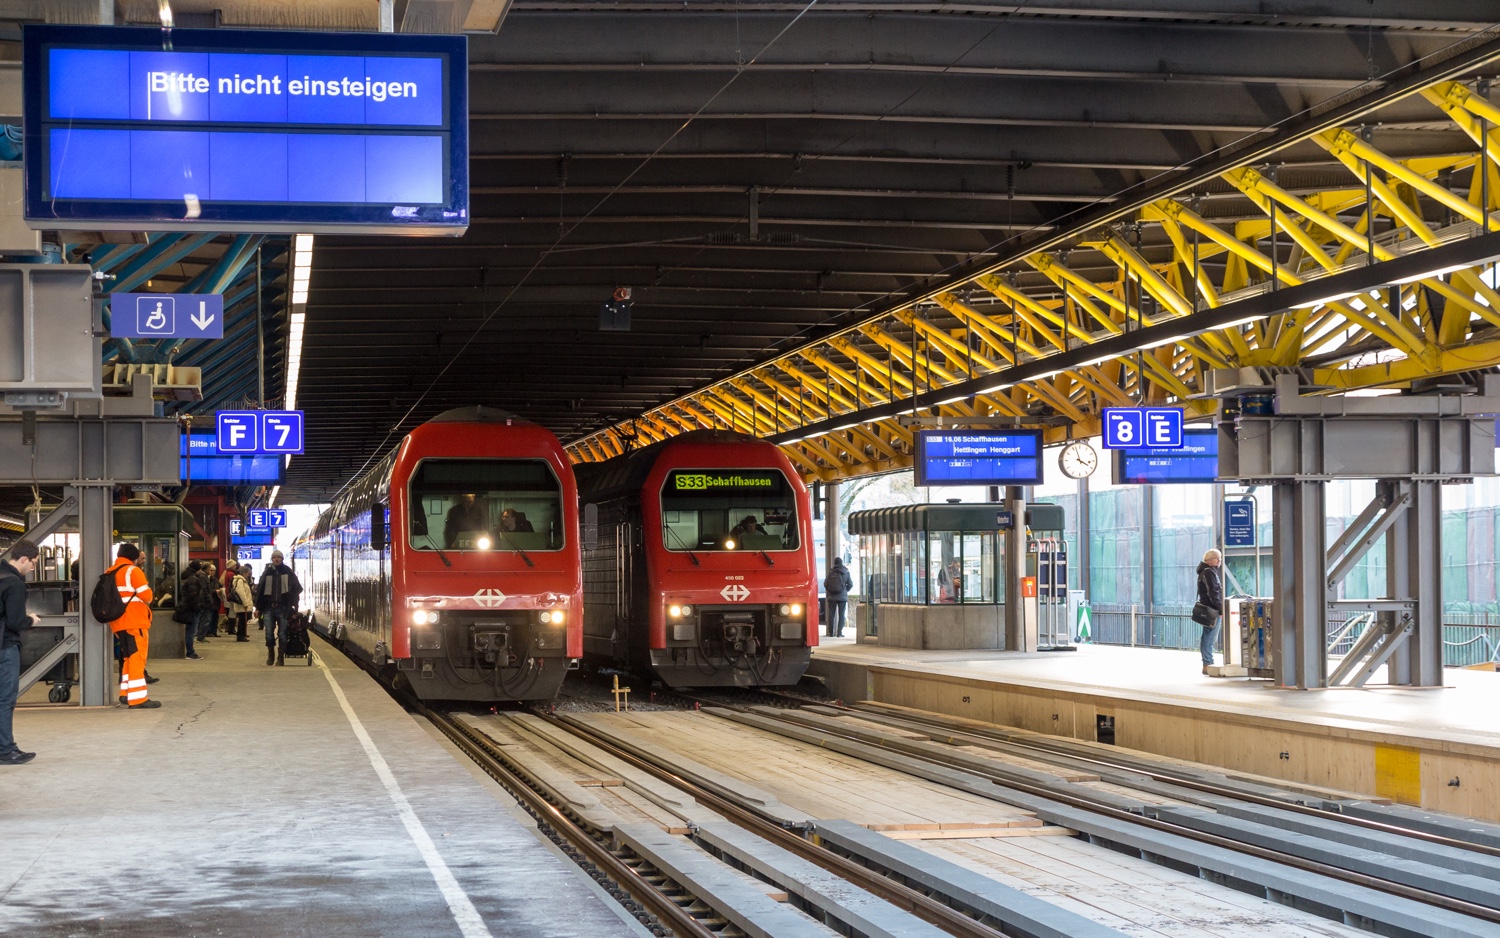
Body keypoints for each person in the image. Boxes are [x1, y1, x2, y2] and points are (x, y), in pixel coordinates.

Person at [0, 540, 41, 764]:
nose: (33, 568)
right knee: (5, 701)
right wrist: (31, 619)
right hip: (4, 648)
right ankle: (6, 750)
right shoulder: (15, 583)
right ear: (24, 559)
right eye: (33, 563)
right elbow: (16, 621)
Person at [106, 542, 160, 709]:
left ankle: (126, 694)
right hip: (134, 620)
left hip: (118, 622)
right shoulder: (132, 571)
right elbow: (147, 596)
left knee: (128, 657)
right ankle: (137, 699)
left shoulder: (110, 571)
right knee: (137, 658)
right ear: (134, 557)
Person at [257, 550, 302, 666]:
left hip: (283, 608)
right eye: (274, 557)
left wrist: (292, 604)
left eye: (278, 557)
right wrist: (258, 608)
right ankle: (271, 654)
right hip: (268, 608)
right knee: (269, 633)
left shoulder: (287, 572)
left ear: (282, 559)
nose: (276, 559)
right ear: (272, 559)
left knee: (282, 633)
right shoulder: (267, 572)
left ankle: (280, 657)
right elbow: (260, 591)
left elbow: (298, 588)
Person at [1197, 548, 1224, 675]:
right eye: (1217, 558)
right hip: (1212, 610)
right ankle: (1207, 663)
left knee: (1207, 636)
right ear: (1209, 560)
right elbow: (1213, 593)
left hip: (1208, 608)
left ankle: (1207, 662)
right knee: (1209, 637)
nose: (1219, 561)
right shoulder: (1209, 572)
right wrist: (1221, 609)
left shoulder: (1205, 571)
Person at [178, 561, 206, 660]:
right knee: (191, 631)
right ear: (197, 569)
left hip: (186, 607)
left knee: (189, 631)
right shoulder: (193, 579)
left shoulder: (185, 577)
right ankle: (190, 652)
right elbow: (193, 595)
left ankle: (190, 651)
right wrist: (198, 607)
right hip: (192, 608)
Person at [823, 556, 853, 638]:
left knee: (831, 615)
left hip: (832, 597)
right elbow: (850, 584)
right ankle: (839, 633)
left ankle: (831, 633)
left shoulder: (831, 572)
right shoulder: (846, 572)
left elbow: (825, 584)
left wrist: (829, 590)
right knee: (841, 614)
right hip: (842, 597)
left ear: (835, 563)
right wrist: (845, 590)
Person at [227, 562, 254, 642]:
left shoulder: (240, 580)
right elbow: (241, 592)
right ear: (244, 572)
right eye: (247, 573)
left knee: (243, 620)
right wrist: (246, 603)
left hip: (242, 603)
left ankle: (242, 635)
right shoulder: (240, 580)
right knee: (242, 621)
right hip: (242, 604)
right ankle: (241, 636)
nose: (248, 574)